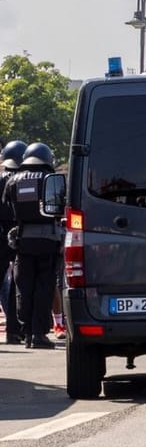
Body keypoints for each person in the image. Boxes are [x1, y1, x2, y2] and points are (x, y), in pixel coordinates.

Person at [4, 143, 61, 348]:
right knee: (43, 288)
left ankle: (27, 333)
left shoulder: (12, 181)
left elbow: (10, 209)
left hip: (23, 242)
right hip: (48, 242)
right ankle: (39, 334)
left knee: (24, 289)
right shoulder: (51, 179)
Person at [0, 140, 23, 343]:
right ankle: (14, 331)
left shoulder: (2, 179)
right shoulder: (22, 180)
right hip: (18, 234)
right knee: (17, 284)